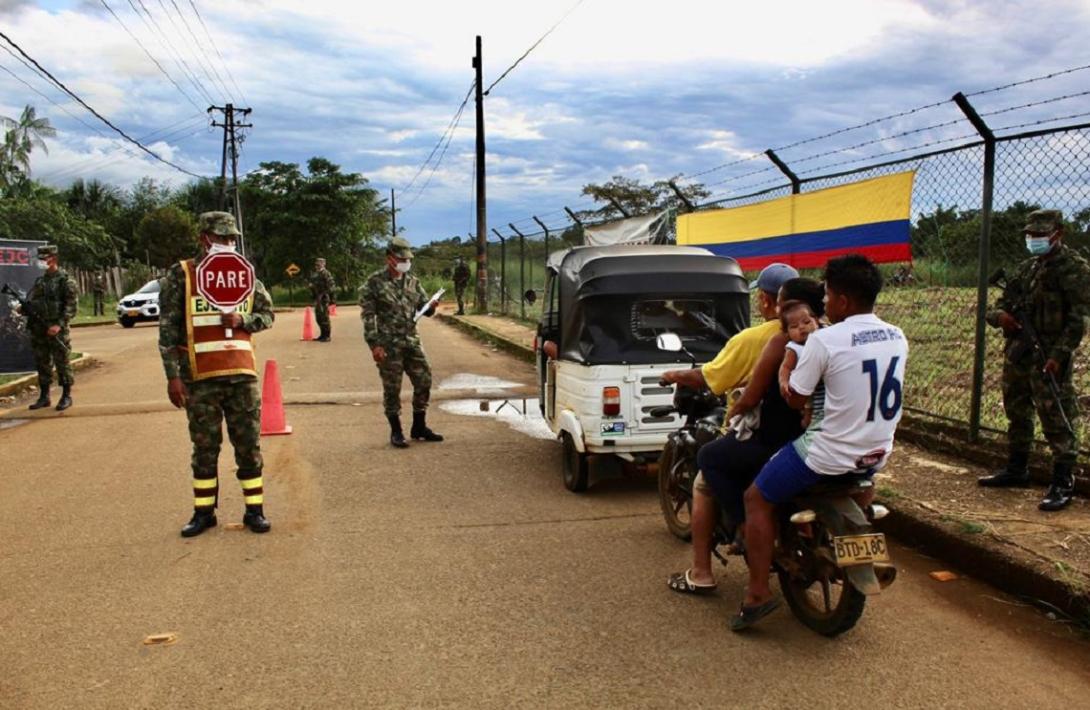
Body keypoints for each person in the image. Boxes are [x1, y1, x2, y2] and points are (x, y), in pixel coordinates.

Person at [733, 255, 907, 630]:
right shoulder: (897, 335)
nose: (823, 303)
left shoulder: (826, 340)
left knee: (756, 497)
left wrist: (784, 370)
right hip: (876, 454)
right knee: (857, 483)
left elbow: (796, 398)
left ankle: (758, 593)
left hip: (825, 454)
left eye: (827, 295)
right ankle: (851, 540)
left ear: (842, 300)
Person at [666, 277, 822, 595]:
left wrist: (737, 410)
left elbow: (717, 380)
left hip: (774, 440)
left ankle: (705, 568)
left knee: (707, 466)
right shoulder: (831, 334)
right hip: (820, 439)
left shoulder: (771, 339)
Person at [159, 211, 275, 537]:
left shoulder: (244, 273)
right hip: (199, 377)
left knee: (248, 446)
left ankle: (255, 511)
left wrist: (243, 322)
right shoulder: (181, 274)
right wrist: (173, 377)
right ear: (203, 238)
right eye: (221, 237)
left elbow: (267, 314)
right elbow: (167, 331)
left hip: (241, 375)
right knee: (205, 449)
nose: (227, 243)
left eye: (231, 238)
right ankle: (203, 513)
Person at [979, 209, 1090, 511]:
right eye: (1031, 235)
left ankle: (1063, 481)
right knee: (1016, 408)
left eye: (1041, 235)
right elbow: (997, 307)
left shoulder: (1074, 269)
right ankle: (1017, 468)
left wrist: (1059, 354)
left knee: (1056, 415)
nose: (1035, 240)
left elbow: (1078, 319)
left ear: (1058, 234)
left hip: (1049, 355)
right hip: (1019, 352)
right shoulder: (1027, 268)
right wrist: (1001, 318)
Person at [661, 262, 799, 393]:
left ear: (765, 300)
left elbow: (707, 377)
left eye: (758, 295)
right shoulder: (809, 330)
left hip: (752, 415)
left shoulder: (749, 339)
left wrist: (673, 375)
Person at [360, 236, 443, 448]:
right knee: (392, 388)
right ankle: (396, 431)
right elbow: (368, 317)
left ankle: (419, 426)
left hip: (411, 341)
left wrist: (432, 306)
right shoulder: (374, 283)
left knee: (424, 379)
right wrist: (374, 345)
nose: (406, 262)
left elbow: (425, 309)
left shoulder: (413, 282)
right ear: (390, 258)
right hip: (389, 345)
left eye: (408, 258)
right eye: (401, 258)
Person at [25, 244, 78, 411]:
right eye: (39, 259)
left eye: (43, 259)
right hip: (39, 328)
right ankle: (44, 396)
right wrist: (24, 308)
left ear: (53, 259)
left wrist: (58, 325)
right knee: (42, 363)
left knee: (62, 362)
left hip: (56, 329)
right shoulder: (40, 281)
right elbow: (34, 302)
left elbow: (71, 307)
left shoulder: (65, 280)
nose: (41, 262)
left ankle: (66, 395)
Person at [310, 257, 336, 342]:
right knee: (319, 317)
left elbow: (331, 286)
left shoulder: (326, 273)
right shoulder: (315, 274)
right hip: (318, 298)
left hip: (324, 298)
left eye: (319, 263)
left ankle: (327, 335)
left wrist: (331, 298)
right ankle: (322, 335)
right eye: (316, 264)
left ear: (323, 264)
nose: (317, 265)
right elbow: (314, 286)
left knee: (324, 317)